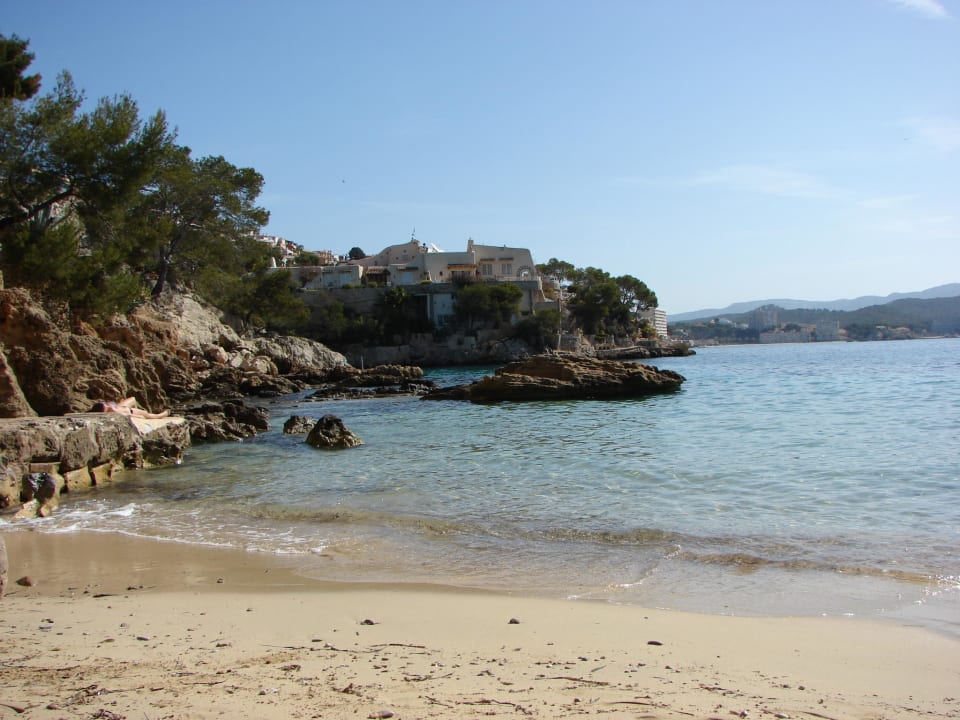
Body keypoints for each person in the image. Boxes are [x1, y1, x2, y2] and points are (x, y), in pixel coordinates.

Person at [90, 397, 169, 419]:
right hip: (130, 411)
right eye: (106, 408)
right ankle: (164, 414)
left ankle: (139, 409)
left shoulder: (108, 408)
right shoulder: (113, 413)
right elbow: (128, 416)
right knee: (152, 416)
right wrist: (139, 417)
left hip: (122, 407)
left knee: (133, 399)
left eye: (106, 404)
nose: (108, 406)